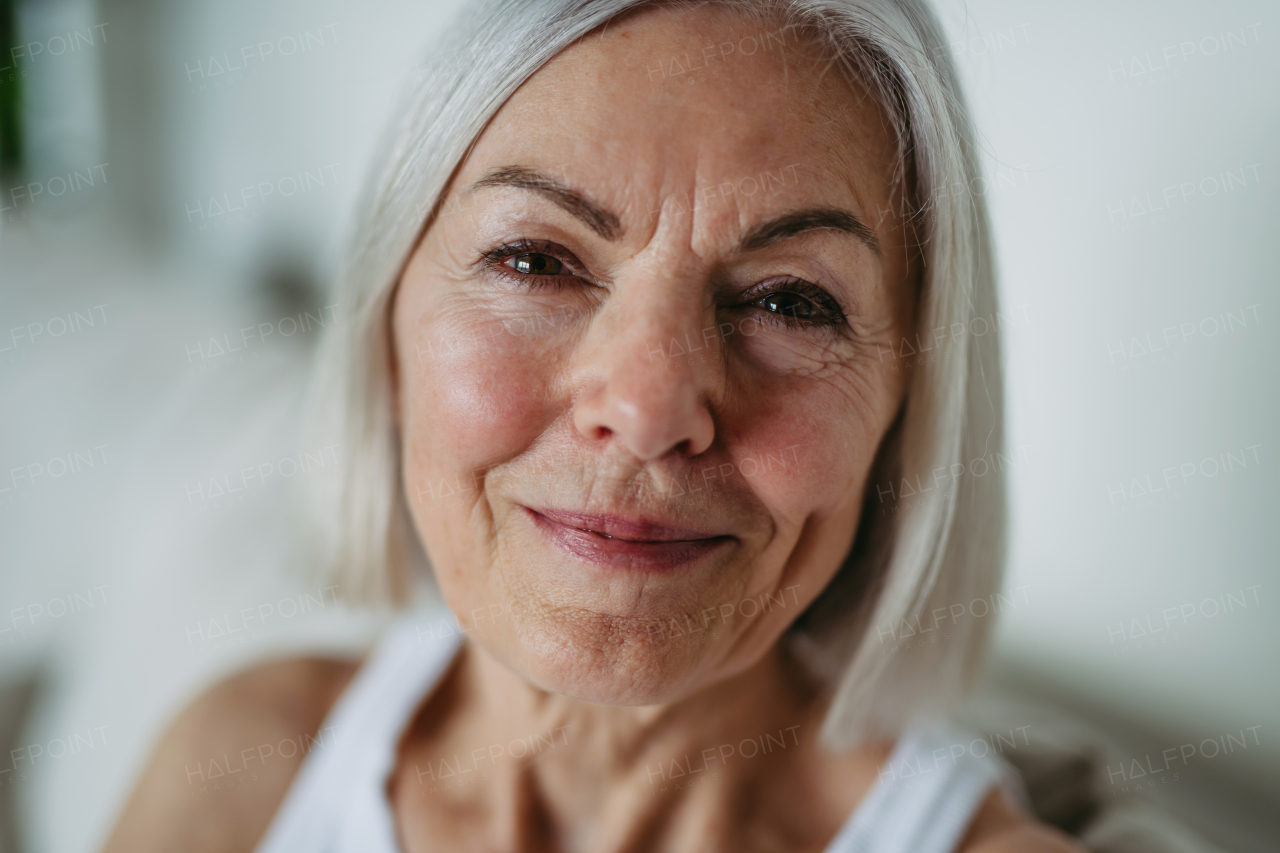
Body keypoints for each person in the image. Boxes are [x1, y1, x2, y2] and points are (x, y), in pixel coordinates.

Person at [103, 0, 1084, 850]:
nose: (648, 409)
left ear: (907, 408)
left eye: (787, 302)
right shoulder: (241, 762)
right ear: (385, 327)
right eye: (534, 260)